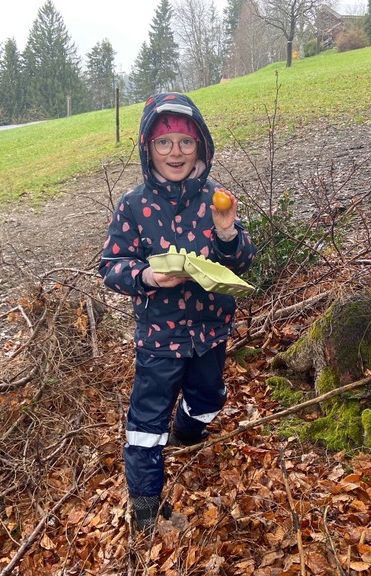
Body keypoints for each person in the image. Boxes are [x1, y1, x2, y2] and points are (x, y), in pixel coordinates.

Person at [98, 92, 257, 533]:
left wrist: (227, 234)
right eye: (164, 142)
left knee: (210, 398)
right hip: (159, 338)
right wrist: (147, 275)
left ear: (200, 145)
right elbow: (111, 267)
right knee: (146, 424)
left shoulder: (216, 198)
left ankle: (187, 432)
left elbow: (242, 261)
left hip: (210, 330)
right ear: (148, 148)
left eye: (186, 142)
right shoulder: (133, 205)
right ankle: (146, 511)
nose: (175, 152)